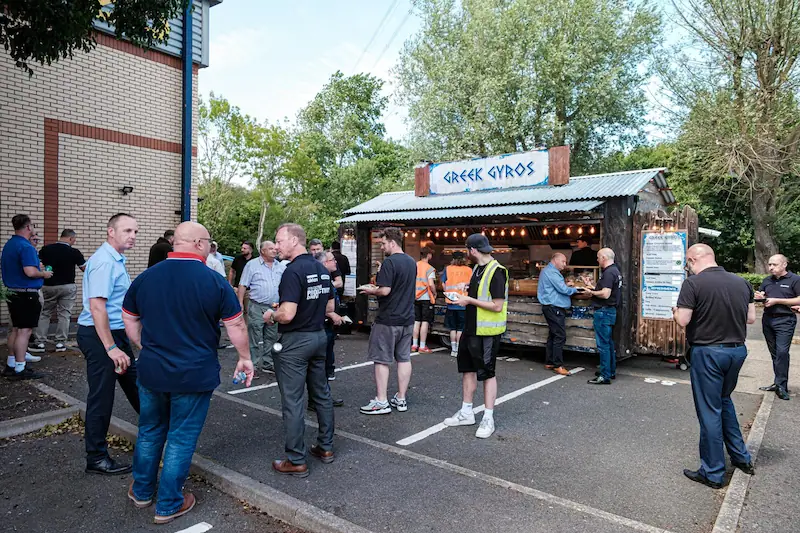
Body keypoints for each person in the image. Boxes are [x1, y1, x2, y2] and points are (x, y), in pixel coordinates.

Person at [122, 221, 253, 524]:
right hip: (194, 374)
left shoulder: (145, 278)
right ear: (197, 244)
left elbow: (129, 318)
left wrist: (145, 344)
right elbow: (235, 324)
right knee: (180, 438)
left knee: (150, 430)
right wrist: (245, 357)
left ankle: (141, 491)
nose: (209, 247)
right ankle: (168, 503)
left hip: (152, 371)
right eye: (208, 242)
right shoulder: (214, 281)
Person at [673, 244, 755, 488]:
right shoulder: (742, 282)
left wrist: (676, 311)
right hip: (737, 351)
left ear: (692, 259)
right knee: (724, 400)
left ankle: (713, 472)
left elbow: (683, 320)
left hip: (708, 352)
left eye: (688, 263)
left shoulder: (693, 284)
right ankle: (741, 457)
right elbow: (750, 318)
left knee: (709, 410)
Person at [265, 223, 342, 477]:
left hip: (295, 342)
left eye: (279, 240)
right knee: (321, 394)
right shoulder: (321, 268)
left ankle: (296, 459)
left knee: (294, 401)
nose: (276, 246)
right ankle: (326, 447)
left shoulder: (292, 271)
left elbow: (287, 314)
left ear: (295, 240)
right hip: (319, 337)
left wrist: (272, 315)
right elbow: (330, 305)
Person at [77, 213, 141, 474]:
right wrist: (111, 347)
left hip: (113, 335)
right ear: (110, 232)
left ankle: (158, 436)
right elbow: (97, 308)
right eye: (127, 231)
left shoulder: (116, 259)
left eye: (135, 231)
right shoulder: (104, 262)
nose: (133, 236)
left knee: (137, 386)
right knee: (101, 398)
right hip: (99, 336)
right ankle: (96, 458)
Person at [443, 234, 508, 439]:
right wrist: (467, 291)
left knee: (487, 373)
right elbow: (481, 295)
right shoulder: (478, 269)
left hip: (486, 332)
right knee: (468, 370)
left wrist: (469, 299)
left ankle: (488, 418)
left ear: (472, 251)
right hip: (471, 328)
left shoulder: (497, 271)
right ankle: (466, 412)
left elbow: (497, 306)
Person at [360, 227, 416, 415]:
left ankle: (381, 401)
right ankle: (401, 399)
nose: (382, 247)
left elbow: (385, 290)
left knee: (381, 360)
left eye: (383, 243)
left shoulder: (390, 262)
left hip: (388, 319)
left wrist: (371, 290)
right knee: (404, 358)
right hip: (407, 318)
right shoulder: (411, 262)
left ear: (392, 242)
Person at [1, 214, 51, 379]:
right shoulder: (26, 246)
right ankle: (20, 368)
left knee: (15, 329)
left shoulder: (10, 244)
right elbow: (30, 272)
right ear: (28, 227)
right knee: (24, 331)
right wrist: (44, 273)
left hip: (13, 292)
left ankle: (11, 363)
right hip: (27, 294)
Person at [32, 229, 86, 353]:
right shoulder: (74, 252)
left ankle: (40, 343)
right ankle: (60, 343)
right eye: (74, 239)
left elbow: (38, 265)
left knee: (45, 313)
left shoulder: (46, 249)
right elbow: (84, 268)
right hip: (67, 287)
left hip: (48, 285)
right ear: (71, 239)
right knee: (64, 314)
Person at [756, 254, 800, 401]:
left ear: (784, 264)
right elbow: (762, 293)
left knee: (782, 353)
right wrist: (760, 296)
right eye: (769, 265)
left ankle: (782, 386)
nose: (771, 268)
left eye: (774, 265)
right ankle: (778, 383)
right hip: (768, 319)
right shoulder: (767, 280)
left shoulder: (794, 280)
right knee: (774, 353)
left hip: (785, 320)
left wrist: (777, 301)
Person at [238, 241, 285, 374]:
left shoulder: (280, 266)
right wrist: (240, 302)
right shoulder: (252, 265)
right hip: (257, 306)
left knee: (271, 336)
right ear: (262, 251)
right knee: (254, 337)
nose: (274, 250)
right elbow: (242, 284)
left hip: (274, 308)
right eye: (270, 249)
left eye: (274, 248)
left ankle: (267, 363)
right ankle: (252, 364)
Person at [583, 248, 622, 385]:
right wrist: (592, 286)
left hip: (604, 311)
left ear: (604, 257)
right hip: (610, 311)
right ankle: (610, 371)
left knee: (603, 345)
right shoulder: (615, 271)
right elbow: (607, 290)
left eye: (599, 257)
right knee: (609, 343)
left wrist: (590, 292)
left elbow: (605, 294)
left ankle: (604, 376)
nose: (597, 260)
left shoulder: (608, 273)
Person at [538, 252, 578, 376]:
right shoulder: (552, 272)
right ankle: (558, 365)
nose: (565, 265)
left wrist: (566, 285)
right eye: (563, 262)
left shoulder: (548, 271)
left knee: (553, 335)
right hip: (554, 307)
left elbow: (558, 287)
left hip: (550, 306)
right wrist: (576, 289)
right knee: (560, 336)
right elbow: (563, 290)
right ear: (555, 260)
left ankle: (550, 361)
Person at [314, 250, 345, 406]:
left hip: (329, 327)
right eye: (333, 260)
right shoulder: (321, 279)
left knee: (325, 362)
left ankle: (320, 397)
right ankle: (320, 399)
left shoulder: (326, 278)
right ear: (325, 263)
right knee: (321, 363)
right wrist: (332, 314)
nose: (335, 262)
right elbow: (321, 304)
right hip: (322, 326)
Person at [440, 251, 472, 357]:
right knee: (461, 328)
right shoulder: (469, 270)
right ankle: (459, 349)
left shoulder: (448, 269)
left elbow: (443, 284)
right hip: (463, 303)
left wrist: (448, 293)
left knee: (453, 328)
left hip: (451, 303)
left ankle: (453, 350)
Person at [412, 246, 437, 353]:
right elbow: (431, 284)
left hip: (415, 296)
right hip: (426, 297)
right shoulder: (429, 268)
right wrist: (435, 293)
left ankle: (414, 345)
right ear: (429, 255)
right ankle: (422, 346)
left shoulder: (415, 266)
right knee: (425, 322)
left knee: (416, 321)